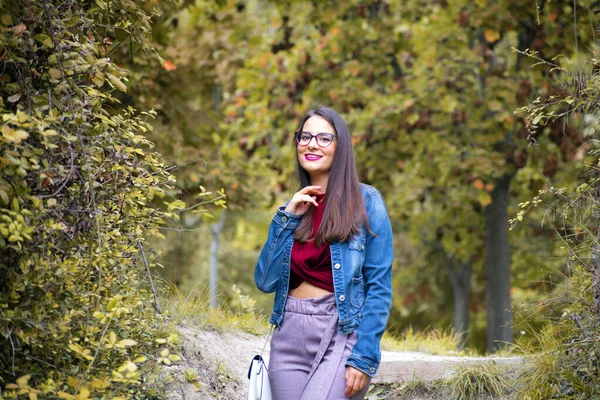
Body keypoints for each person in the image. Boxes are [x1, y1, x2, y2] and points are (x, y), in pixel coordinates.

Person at [254, 107, 394, 400]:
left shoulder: (367, 203)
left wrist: (364, 356)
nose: (312, 144)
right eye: (305, 136)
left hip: (340, 331)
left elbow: (379, 288)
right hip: (289, 333)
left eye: (323, 138)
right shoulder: (293, 208)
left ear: (340, 147)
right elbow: (265, 281)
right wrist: (287, 217)